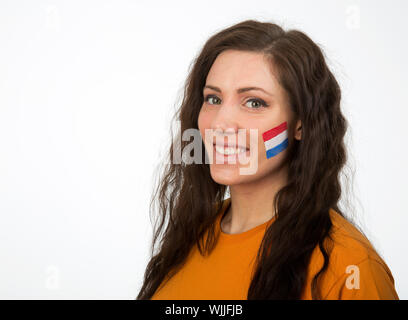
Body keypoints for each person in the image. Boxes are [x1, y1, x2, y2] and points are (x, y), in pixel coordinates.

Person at [136, 19, 399, 300]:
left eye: (254, 103)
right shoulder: (191, 235)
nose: (221, 123)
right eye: (213, 99)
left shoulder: (350, 267)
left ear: (301, 124)